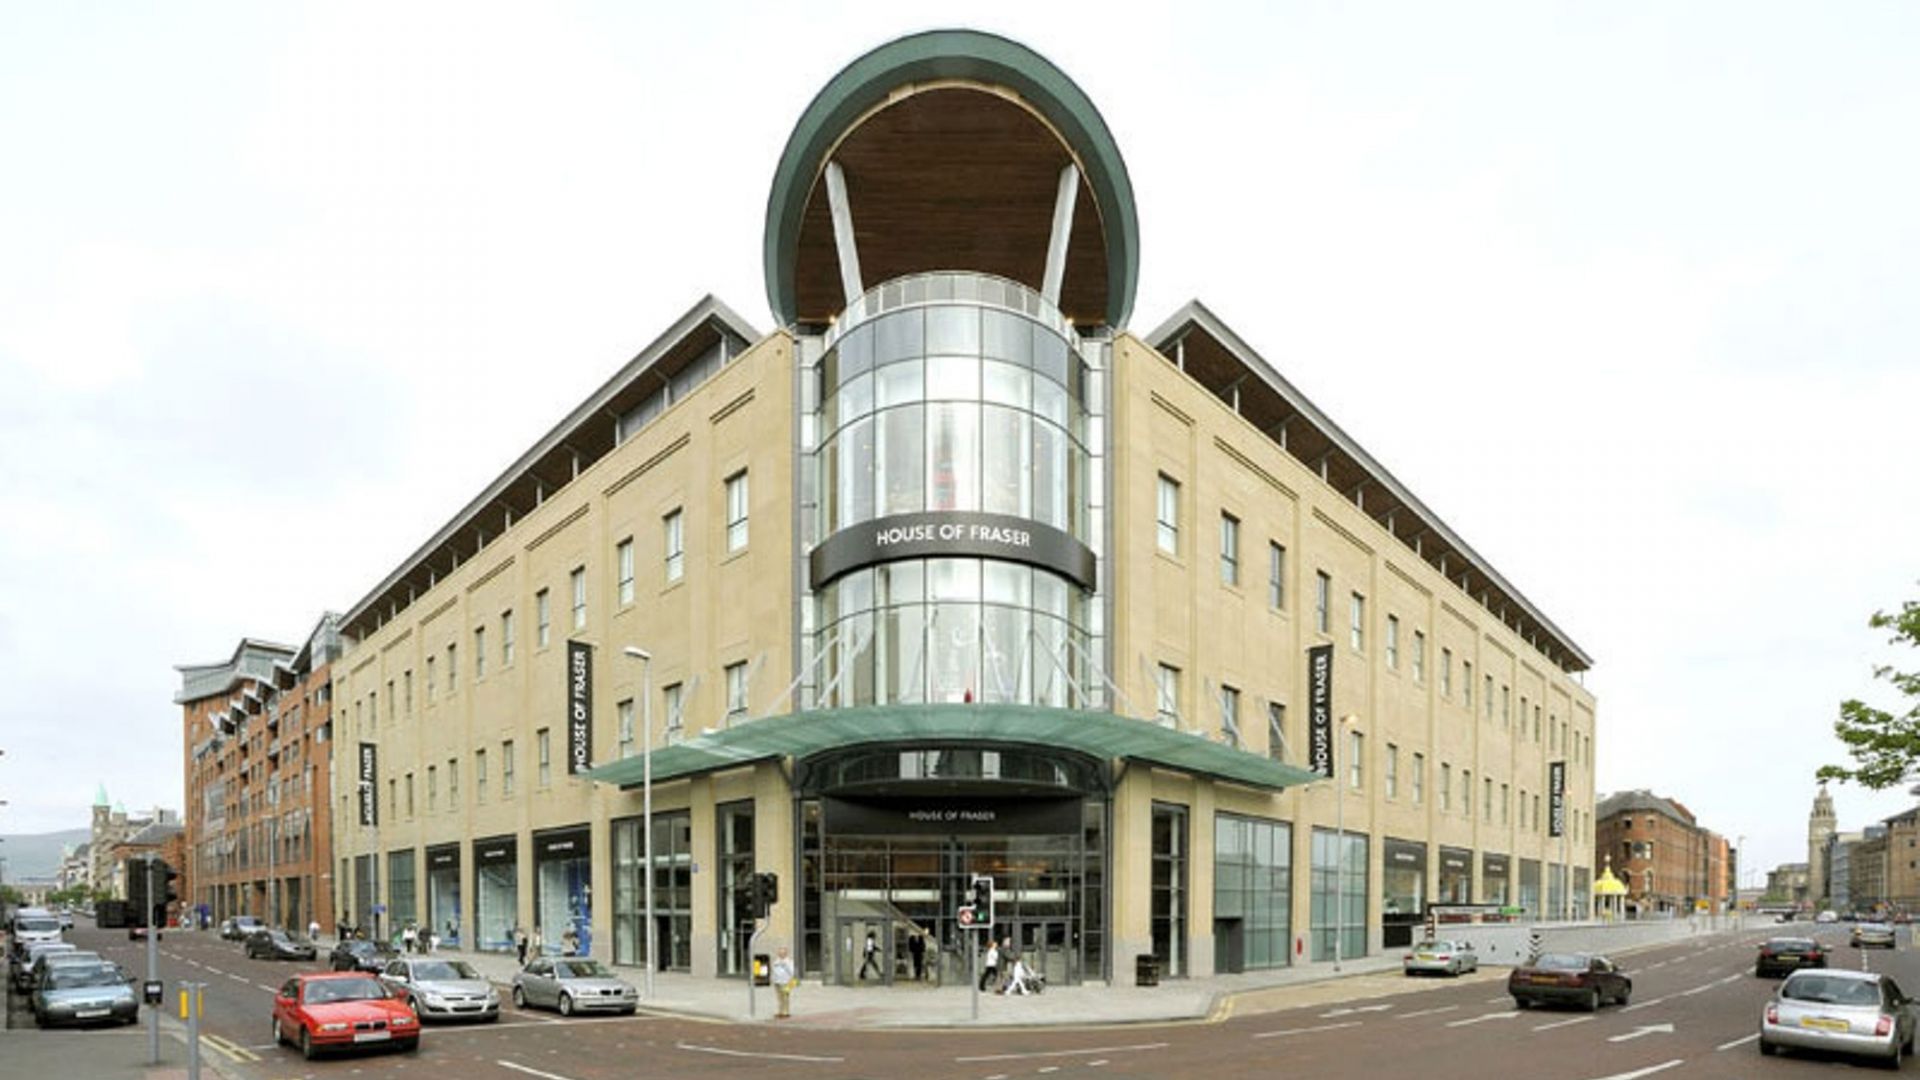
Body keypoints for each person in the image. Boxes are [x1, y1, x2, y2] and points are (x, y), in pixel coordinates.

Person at [771, 946, 797, 1019]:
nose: (781, 954)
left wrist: (785, 965)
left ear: (786, 953)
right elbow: (774, 971)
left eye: (782, 953)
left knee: (785, 997)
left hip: (787, 982)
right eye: (780, 953)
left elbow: (792, 972)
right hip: (777, 981)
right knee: (779, 997)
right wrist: (773, 979)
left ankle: (786, 1012)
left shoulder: (789, 961)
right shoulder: (776, 961)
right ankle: (780, 1011)